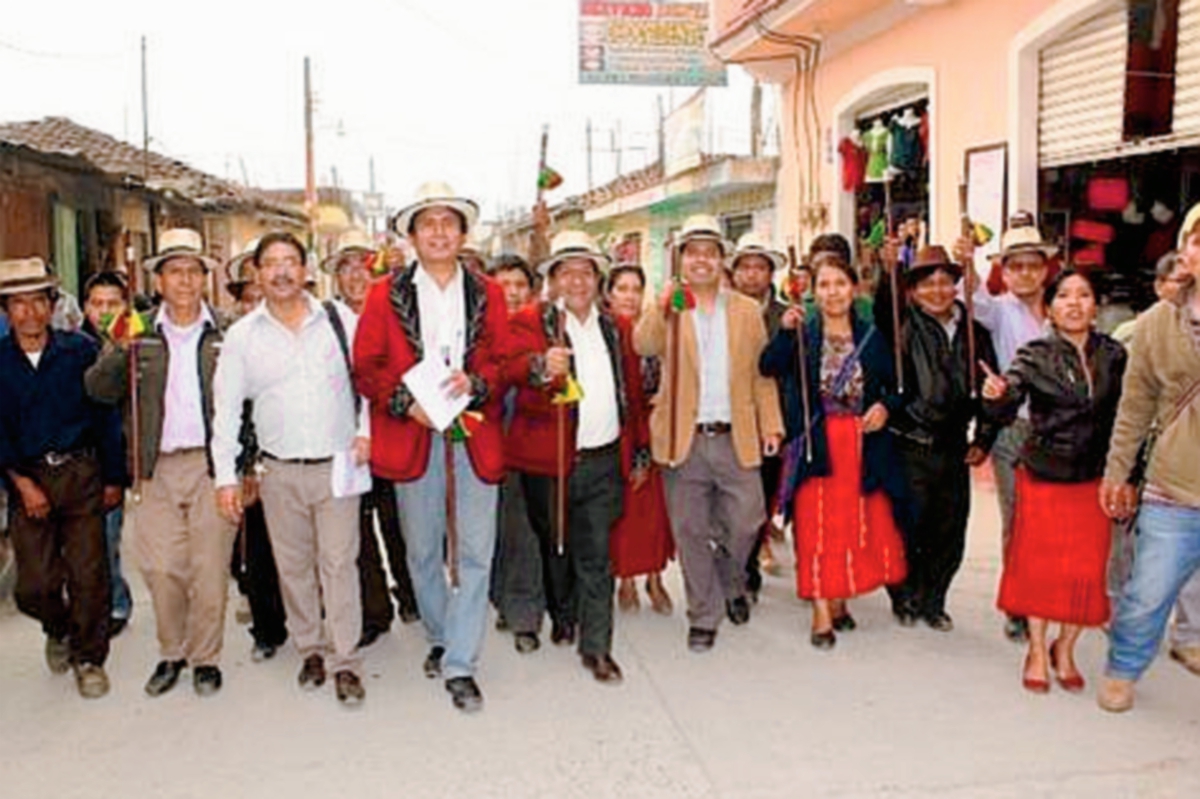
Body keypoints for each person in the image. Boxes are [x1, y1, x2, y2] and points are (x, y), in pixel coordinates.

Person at [354, 182, 510, 713]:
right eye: (428, 223)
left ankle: (461, 662)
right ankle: (443, 635)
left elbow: (503, 359)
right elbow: (366, 366)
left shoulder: (487, 291)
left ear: (463, 234)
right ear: (413, 236)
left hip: (474, 431)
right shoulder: (385, 293)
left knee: (474, 550)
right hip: (414, 434)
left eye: (449, 222)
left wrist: (479, 382)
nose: (439, 232)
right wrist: (405, 404)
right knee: (421, 550)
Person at [213, 231, 371, 707]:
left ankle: (345, 659)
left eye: (290, 262)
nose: (281, 272)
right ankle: (310, 649)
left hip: (338, 465)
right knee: (294, 566)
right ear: (256, 274)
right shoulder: (242, 337)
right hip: (278, 471)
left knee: (340, 564)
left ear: (306, 270)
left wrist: (366, 431)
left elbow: (369, 382)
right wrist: (225, 478)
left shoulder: (340, 321)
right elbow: (225, 412)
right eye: (271, 263)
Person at [85, 229, 239, 697]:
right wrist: (120, 348)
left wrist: (245, 469)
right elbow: (98, 389)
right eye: (175, 271)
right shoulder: (139, 330)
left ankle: (205, 658)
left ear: (205, 278)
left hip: (212, 464)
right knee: (162, 568)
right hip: (154, 466)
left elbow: (250, 404)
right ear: (159, 280)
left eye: (194, 271)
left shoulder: (228, 332)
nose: (186, 281)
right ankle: (172, 652)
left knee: (210, 570)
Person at [634, 214, 784, 653]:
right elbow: (643, 345)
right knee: (690, 530)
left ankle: (730, 580)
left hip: (736, 434)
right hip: (684, 436)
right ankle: (704, 613)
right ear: (680, 260)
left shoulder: (745, 310)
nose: (701, 260)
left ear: (723, 260)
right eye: (692, 252)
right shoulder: (670, 304)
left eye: (709, 252)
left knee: (747, 521)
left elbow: (761, 376)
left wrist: (770, 424)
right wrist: (662, 307)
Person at [503, 231, 648, 682]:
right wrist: (540, 367)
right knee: (555, 546)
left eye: (586, 271)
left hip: (604, 461)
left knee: (596, 555)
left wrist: (639, 448)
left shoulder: (615, 327)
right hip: (548, 465)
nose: (578, 281)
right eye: (567, 272)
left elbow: (633, 392)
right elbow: (509, 368)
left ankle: (597, 647)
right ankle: (562, 612)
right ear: (552, 280)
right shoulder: (531, 322)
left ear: (598, 278)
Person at [982, 269, 1126, 694]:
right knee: (1040, 569)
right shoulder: (1035, 354)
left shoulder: (1115, 354)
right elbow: (1007, 402)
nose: (1075, 303)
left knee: (1085, 571)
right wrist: (997, 395)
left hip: (1093, 480)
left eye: (1084, 295)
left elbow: (1127, 415)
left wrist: (1125, 475)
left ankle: (1067, 646)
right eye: (1064, 296)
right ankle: (1038, 649)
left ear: (1096, 305)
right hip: (1045, 477)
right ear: (1050, 308)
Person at [761, 252, 907, 649]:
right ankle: (822, 609)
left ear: (854, 288)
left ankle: (839, 597)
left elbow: (896, 389)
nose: (832, 292)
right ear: (812, 291)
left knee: (851, 525)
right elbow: (767, 365)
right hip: (815, 444)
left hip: (860, 445)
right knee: (815, 526)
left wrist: (883, 407)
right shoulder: (803, 333)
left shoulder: (873, 338)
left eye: (840, 283)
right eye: (823, 285)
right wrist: (785, 333)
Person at [0, 257, 124, 698]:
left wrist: (113, 476)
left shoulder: (78, 350)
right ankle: (58, 628)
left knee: (90, 574)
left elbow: (104, 414)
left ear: (53, 305)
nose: (29, 313)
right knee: (35, 585)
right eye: (18, 303)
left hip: (82, 473)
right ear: (6, 310)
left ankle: (90, 658)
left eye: (38, 301)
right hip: (27, 478)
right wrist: (21, 482)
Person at [1098, 204, 1200, 712]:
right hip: (1173, 485)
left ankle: (1192, 640)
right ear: (1186, 253)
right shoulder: (1158, 323)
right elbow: (1134, 405)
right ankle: (1124, 666)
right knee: (1147, 592)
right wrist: (1118, 472)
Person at [874, 245, 1000, 630]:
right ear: (912, 290)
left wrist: (985, 436)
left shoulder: (975, 331)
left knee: (949, 530)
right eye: (927, 283)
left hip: (953, 447)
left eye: (945, 281)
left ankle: (934, 600)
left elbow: (990, 385)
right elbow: (884, 305)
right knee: (908, 525)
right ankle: (905, 594)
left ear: (956, 286)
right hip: (909, 442)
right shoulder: (902, 324)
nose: (937, 290)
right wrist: (890, 267)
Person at [956, 215, 1055, 643]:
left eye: (1033, 265)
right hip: (1014, 428)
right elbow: (971, 296)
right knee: (1016, 519)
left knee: (1055, 518)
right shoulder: (999, 311)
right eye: (1015, 266)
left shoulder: (1064, 307)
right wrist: (967, 261)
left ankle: (1049, 594)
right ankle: (1017, 603)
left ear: (1046, 268)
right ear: (1005, 272)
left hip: (1061, 431)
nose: (1025, 273)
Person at [323, 229, 421, 644]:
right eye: (346, 267)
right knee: (356, 531)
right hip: (348, 441)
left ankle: (415, 597)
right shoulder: (326, 322)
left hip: (397, 429)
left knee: (403, 524)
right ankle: (373, 613)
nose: (356, 276)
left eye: (364, 265)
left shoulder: (397, 311)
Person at [222, 240, 289, 661]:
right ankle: (267, 629)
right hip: (243, 463)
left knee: (293, 550)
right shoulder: (229, 341)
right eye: (246, 299)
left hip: (286, 459)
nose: (253, 306)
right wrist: (239, 467)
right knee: (252, 552)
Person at [606, 263, 674, 615]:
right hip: (619, 430)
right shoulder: (603, 332)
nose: (630, 296)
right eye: (622, 289)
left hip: (656, 425)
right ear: (609, 294)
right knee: (625, 511)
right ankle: (626, 580)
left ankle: (655, 577)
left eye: (636, 289)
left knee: (655, 512)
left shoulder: (656, 326)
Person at [729, 233, 789, 588]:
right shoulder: (718, 312)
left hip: (770, 425)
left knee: (759, 504)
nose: (752, 275)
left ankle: (747, 567)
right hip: (728, 423)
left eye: (760, 267)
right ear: (734, 273)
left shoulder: (786, 317)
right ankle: (736, 569)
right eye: (745, 267)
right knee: (730, 505)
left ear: (770, 274)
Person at [80, 271, 135, 637]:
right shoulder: (74, 345)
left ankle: (116, 603)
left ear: (125, 306)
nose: (103, 311)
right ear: (85, 307)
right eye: (96, 304)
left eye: (112, 304)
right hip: (81, 460)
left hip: (117, 458)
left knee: (106, 541)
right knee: (88, 546)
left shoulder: (137, 339)